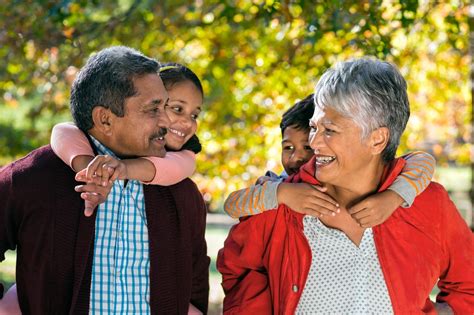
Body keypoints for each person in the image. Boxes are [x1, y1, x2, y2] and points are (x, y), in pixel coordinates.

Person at [217, 58, 474, 314]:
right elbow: (240, 271)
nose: (314, 143)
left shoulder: (429, 204)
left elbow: (468, 285)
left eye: (329, 130)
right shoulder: (281, 202)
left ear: (377, 139)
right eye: (313, 127)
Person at [0, 46, 210, 314]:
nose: (167, 122)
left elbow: (195, 283)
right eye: (154, 109)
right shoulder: (33, 178)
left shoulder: (183, 193)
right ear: (105, 119)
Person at [224, 94, 436, 229]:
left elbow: (423, 161)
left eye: (307, 147)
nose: (295, 157)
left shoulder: (357, 178)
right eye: (288, 147)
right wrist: (281, 193)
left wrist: (393, 197)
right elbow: (232, 205)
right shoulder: (277, 183)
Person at [50, 62, 204, 215]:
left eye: (194, 115)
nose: (188, 122)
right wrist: (90, 170)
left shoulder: (186, 156)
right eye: (177, 109)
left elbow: (171, 167)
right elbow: (62, 130)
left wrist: (120, 168)